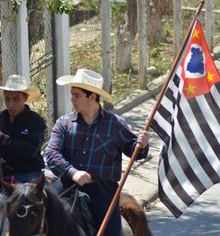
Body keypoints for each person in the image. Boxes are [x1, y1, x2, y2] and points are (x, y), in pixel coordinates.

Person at [45, 69, 151, 236]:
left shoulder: (115, 124)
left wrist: (142, 145)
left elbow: (134, 151)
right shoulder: (64, 123)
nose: (72, 99)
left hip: (102, 190)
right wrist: (72, 173)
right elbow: (51, 154)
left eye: (77, 95)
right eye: (72, 94)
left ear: (92, 97)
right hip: (66, 185)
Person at [0, 74, 46, 192]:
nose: (11, 104)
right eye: (7, 98)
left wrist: (1, 137)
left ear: (25, 98)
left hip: (28, 174)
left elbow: (30, 151)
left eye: (16, 99)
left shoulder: (36, 122)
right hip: (1, 175)